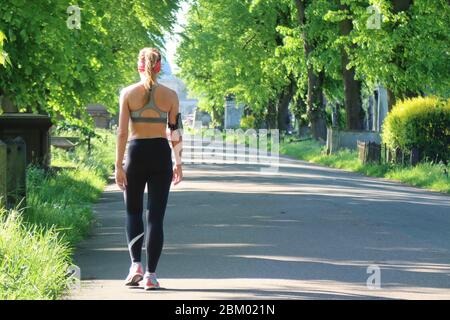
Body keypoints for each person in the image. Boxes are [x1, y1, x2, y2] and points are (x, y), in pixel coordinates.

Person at [115, 47, 183, 290]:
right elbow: (175, 131)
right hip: (160, 156)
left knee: (133, 212)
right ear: (159, 66)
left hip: (135, 154)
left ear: (139, 65)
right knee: (155, 217)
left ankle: (135, 266)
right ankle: (151, 276)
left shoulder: (128, 93)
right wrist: (178, 163)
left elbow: (122, 132)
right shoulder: (170, 96)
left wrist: (118, 166)